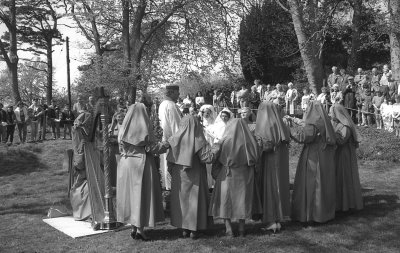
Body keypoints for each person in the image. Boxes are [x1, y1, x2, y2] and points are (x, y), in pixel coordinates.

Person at [116, 103, 169, 241]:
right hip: (140, 164)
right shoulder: (142, 128)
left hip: (125, 164)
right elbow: (152, 148)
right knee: (140, 195)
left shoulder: (123, 128)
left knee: (129, 196)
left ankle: (133, 228)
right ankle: (139, 230)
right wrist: (167, 144)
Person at [167, 115, 221, 239]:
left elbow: (169, 160)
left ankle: (184, 228)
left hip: (179, 174)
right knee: (195, 200)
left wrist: (172, 172)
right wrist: (217, 146)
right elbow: (208, 158)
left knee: (182, 202)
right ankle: (194, 229)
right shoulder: (198, 139)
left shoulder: (174, 139)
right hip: (195, 174)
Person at [209, 118, 261, 237]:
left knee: (225, 202)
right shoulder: (251, 140)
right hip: (245, 174)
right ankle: (242, 229)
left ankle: (229, 229)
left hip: (228, 174)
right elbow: (256, 158)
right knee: (242, 201)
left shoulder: (225, 140)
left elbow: (215, 156)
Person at [288, 101, 337, 224]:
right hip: (324, 154)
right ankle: (324, 212)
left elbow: (303, 137)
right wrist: (295, 120)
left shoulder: (314, 124)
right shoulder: (323, 121)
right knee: (324, 184)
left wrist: (288, 128)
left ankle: (312, 214)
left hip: (314, 156)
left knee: (312, 183)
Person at [254, 102, 290, 233]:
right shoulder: (281, 123)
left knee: (270, 187)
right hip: (280, 159)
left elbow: (266, 145)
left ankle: (271, 221)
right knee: (279, 186)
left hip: (269, 161)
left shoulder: (265, 124)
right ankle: (278, 219)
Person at [329, 103, 363, 212]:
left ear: (336, 113)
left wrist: (329, 134)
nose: (329, 114)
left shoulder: (345, 125)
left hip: (343, 155)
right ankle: (337, 202)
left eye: (331, 112)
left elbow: (341, 141)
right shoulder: (336, 123)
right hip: (337, 154)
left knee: (343, 177)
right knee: (336, 177)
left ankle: (346, 203)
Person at [158, 85, 182, 190]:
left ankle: (169, 189)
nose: (179, 95)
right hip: (173, 142)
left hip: (165, 141)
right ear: (171, 92)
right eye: (177, 93)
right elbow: (177, 126)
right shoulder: (171, 105)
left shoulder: (162, 104)